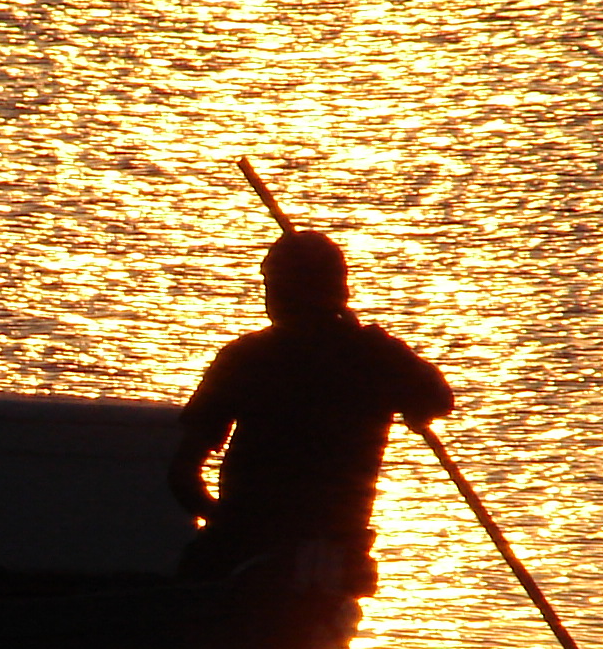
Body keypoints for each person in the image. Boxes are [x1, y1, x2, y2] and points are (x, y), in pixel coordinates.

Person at [170, 229, 452, 586]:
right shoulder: (376, 356)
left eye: (273, 286)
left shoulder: (245, 358)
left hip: (253, 543)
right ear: (340, 291)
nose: (269, 296)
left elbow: (182, 474)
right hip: (329, 547)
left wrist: (222, 521)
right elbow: (437, 400)